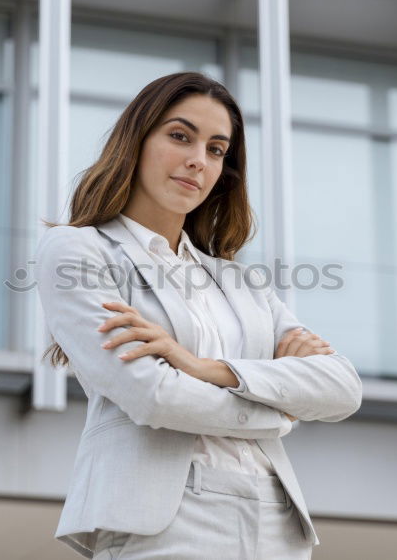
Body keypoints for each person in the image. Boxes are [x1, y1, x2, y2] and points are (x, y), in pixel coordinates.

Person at [34, 71, 362, 559]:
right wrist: (281, 412)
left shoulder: (240, 282)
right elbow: (153, 397)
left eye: (216, 149)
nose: (197, 160)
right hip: (167, 519)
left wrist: (203, 367)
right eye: (180, 136)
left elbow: (342, 389)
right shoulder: (79, 250)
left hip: (275, 518)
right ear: (137, 141)